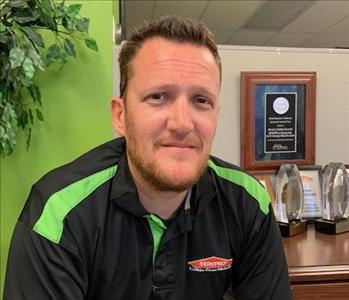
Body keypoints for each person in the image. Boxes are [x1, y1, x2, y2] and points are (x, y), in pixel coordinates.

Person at [4, 16, 292, 300]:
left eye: (201, 100)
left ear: (215, 116)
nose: (182, 123)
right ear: (121, 116)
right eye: (158, 97)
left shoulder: (248, 203)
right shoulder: (58, 214)